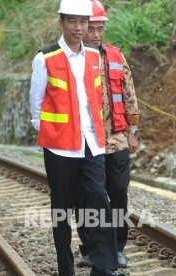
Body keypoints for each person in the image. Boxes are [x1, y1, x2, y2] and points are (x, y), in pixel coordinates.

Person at [30, 0, 125, 275]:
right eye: (72, 21)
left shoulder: (94, 57)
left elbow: (97, 101)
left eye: (83, 22)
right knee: (62, 209)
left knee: (98, 200)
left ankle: (103, 265)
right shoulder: (45, 58)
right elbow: (36, 104)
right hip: (59, 148)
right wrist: (48, 137)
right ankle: (66, 269)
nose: (79, 27)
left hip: (91, 144)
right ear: (62, 22)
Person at [76, 0, 141, 269]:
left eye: (100, 29)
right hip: (87, 141)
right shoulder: (73, 58)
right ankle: (91, 248)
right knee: (89, 196)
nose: (96, 34)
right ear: (80, 28)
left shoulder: (116, 56)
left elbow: (130, 95)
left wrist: (133, 131)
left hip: (116, 140)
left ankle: (116, 248)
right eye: (92, 29)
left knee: (118, 194)